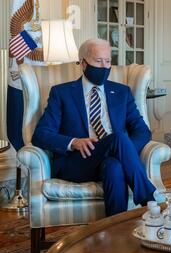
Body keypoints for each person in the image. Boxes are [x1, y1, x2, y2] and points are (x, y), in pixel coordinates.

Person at [32, 39, 163, 216]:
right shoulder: (61, 93)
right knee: (118, 138)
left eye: (108, 61)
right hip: (76, 162)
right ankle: (149, 199)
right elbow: (40, 134)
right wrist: (74, 142)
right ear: (83, 63)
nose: (104, 66)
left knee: (114, 166)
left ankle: (113, 232)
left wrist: (125, 151)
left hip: (112, 159)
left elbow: (142, 130)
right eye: (98, 61)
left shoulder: (122, 92)